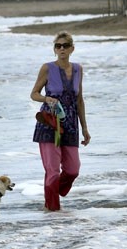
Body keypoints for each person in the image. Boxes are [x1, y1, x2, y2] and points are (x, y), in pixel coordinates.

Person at [30, 31, 90, 211]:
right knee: (53, 171)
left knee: (73, 169)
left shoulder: (78, 69)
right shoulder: (47, 68)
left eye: (65, 46)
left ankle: (53, 194)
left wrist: (85, 128)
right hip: (50, 122)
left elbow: (79, 100)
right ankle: (53, 211)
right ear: (55, 49)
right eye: (58, 46)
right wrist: (46, 99)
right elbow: (34, 94)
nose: (62, 49)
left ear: (72, 48)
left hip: (71, 124)